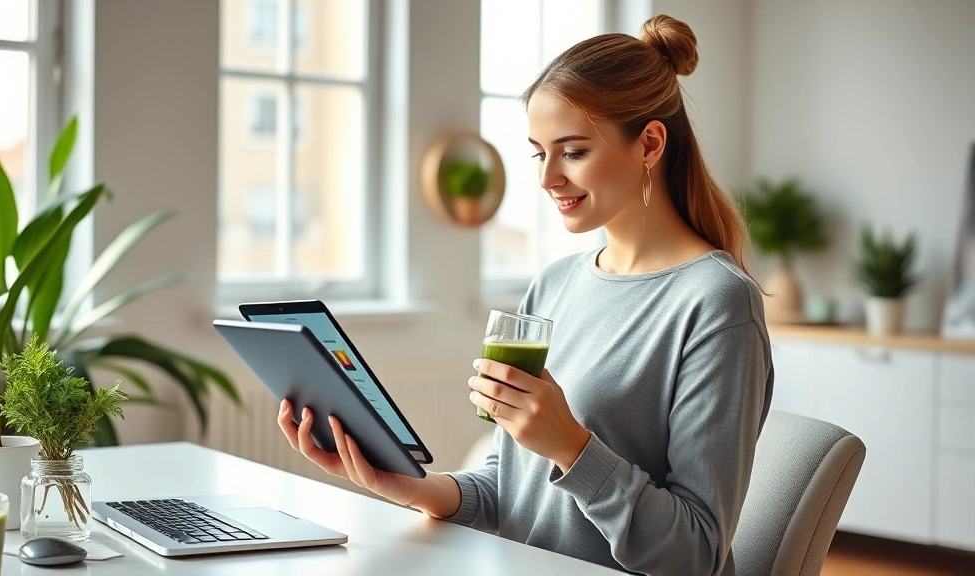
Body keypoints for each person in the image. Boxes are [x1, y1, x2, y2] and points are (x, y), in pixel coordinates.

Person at [276, 14, 773, 576]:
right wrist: (406, 485)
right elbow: (509, 493)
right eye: (540, 153)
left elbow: (696, 554)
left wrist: (572, 447)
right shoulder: (554, 284)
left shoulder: (717, 304)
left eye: (574, 151)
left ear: (650, 144)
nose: (546, 178)